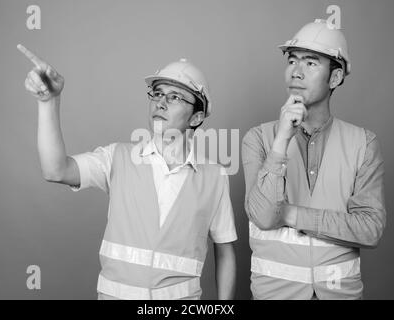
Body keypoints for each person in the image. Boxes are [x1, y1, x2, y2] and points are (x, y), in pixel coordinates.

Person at [17, 44, 237, 300]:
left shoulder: (215, 176)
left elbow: (226, 252)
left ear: (197, 118)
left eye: (175, 97)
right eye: (157, 93)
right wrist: (48, 102)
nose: (161, 103)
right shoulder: (117, 157)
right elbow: (56, 170)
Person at [242, 20, 386, 300]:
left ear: (334, 78)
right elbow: (262, 215)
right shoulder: (258, 138)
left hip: (339, 294)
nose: (296, 72)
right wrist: (281, 141)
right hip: (275, 294)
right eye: (292, 60)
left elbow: (370, 230)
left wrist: (290, 214)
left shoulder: (364, 143)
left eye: (310, 63)